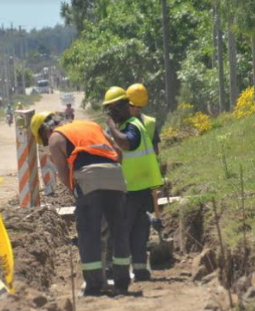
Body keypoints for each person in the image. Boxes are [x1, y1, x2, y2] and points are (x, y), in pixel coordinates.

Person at [30, 111, 132, 296]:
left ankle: (94, 285)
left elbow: (62, 172)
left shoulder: (55, 137)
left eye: (44, 139)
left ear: (45, 130)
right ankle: (122, 281)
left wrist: (76, 192)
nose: (47, 142)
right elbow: (118, 151)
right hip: (115, 173)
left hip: (88, 178)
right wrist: (113, 176)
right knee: (118, 230)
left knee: (89, 233)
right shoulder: (91, 126)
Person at [103, 86, 163, 282]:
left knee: (121, 231)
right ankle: (140, 270)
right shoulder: (129, 124)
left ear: (122, 107)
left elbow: (127, 144)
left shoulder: (132, 126)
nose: (110, 114)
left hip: (131, 189)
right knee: (138, 230)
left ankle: (115, 272)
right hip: (138, 188)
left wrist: (111, 127)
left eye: (111, 110)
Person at [127, 83, 164, 231]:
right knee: (144, 206)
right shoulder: (149, 122)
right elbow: (155, 150)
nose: (135, 109)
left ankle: (146, 223)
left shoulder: (122, 124)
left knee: (135, 210)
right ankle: (149, 221)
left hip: (130, 177)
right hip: (147, 174)